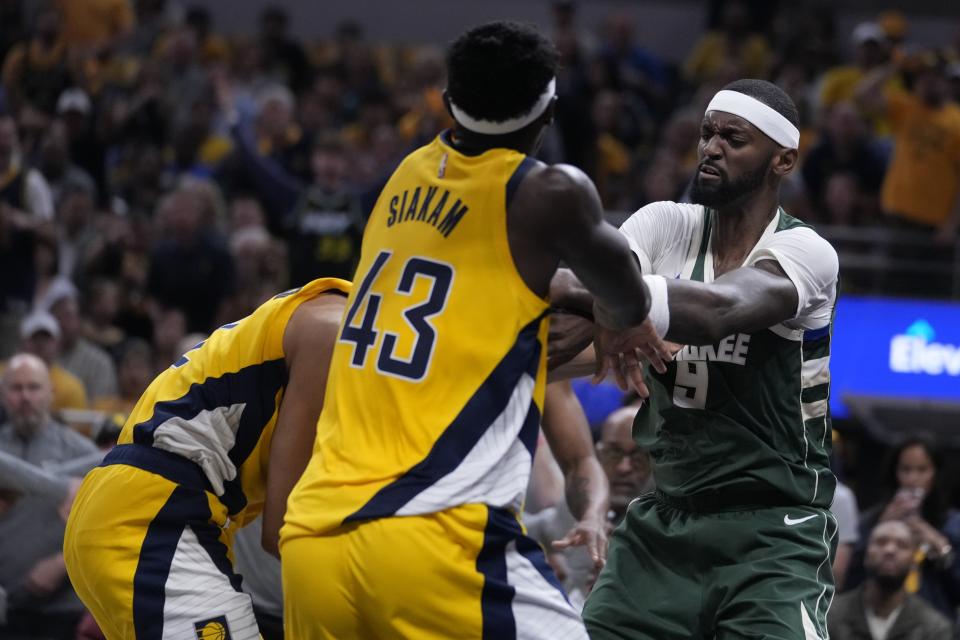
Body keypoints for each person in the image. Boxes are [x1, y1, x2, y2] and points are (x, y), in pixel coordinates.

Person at [280, 21, 662, 640]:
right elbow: (624, 283)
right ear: (549, 114)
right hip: (432, 532)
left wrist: (564, 293)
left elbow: (482, 269)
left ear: (449, 102)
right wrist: (615, 315)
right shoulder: (549, 192)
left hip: (314, 539)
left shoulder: (404, 176)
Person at [560, 79, 840, 639]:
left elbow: (717, 309)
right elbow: (567, 332)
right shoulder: (664, 223)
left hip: (772, 528)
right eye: (707, 134)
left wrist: (619, 301)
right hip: (662, 520)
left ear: (782, 160)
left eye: (733, 138)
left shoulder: (805, 251)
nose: (711, 148)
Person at [62, 277, 350, 639]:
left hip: (141, 508)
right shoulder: (335, 331)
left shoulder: (317, 315)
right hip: (154, 518)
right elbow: (283, 527)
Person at [0, 354, 99, 639]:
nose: (25, 397)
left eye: (33, 387)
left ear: (51, 393)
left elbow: (101, 526)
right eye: (16, 388)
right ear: (3, 394)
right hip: (6, 610)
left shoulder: (82, 452)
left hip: (62, 611)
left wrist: (62, 564)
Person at [849, 437, 960, 620]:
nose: (912, 478)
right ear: (895, 473)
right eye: (905, 470)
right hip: (874, 620)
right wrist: (879, 529)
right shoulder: (872, 519)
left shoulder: (952, 523)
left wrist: (940, 546)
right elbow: (850, 581)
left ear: (936, 473)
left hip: (933, 625)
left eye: (922, 470)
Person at [828, 520, 952, 639]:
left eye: (902, 545)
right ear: (866, 555)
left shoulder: (933, 628)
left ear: (914, 562)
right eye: (881, 542)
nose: (890, 550)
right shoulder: (829, 617)